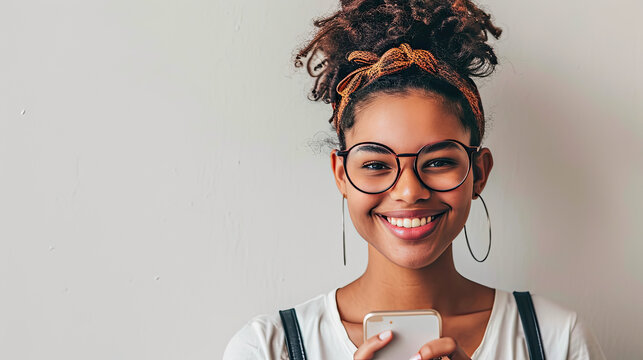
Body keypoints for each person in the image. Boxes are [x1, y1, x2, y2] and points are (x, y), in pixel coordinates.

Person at [223, 0, 606, 359]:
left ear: (480, 173)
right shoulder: (268, 347)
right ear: (341, 175)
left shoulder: (555, 338)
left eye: (438, 162)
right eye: (376, 165)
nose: (409, 192)